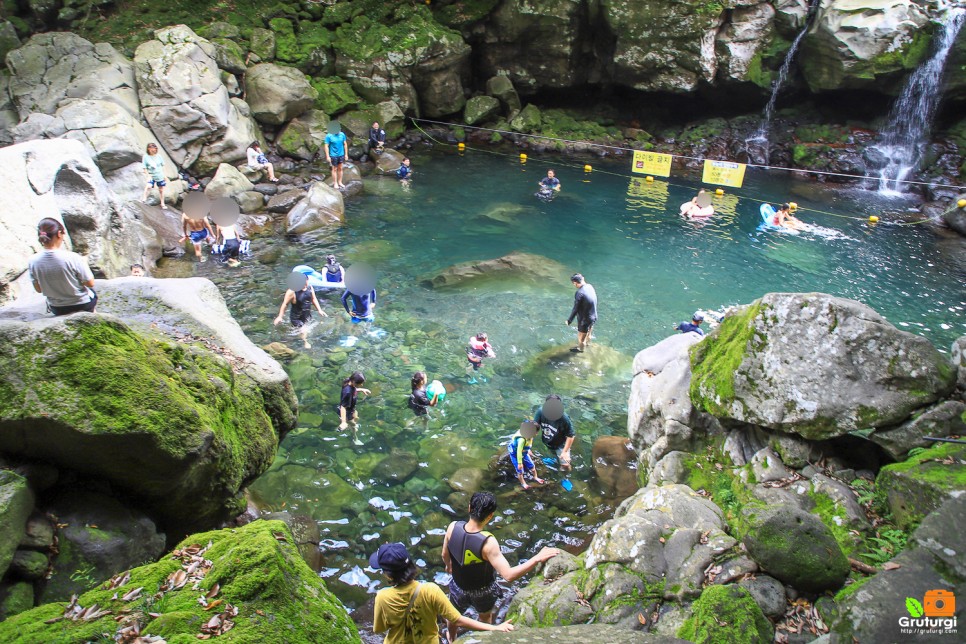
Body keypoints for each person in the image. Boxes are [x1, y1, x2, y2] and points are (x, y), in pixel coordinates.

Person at [441, 492, 559, 642]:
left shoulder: (452, 527)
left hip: (458, 585)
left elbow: (444, 554)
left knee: (453, 614)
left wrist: (448, 567)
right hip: (483, 590)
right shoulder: (488, 542)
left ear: (469, 507)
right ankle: (485, 639)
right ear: (490, 516)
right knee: (485, 616)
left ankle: (451, 638)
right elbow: (508, 575)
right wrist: (536, 558)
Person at [371, 542, 514, 644]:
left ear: (389, 575)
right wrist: (495, 627)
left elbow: (379, 629)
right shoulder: (430, 590)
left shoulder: (382, 597)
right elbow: (457, 619)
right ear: (410, 566)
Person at [28, 218, 97, 316]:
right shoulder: (73, 257)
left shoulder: (32, 261)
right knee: (92, 294)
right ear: (59, 233)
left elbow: (39, 289)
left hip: (57, 308)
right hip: (82, 305)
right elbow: (90, 283)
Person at [273, 275, 328, 348]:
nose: (306, 284)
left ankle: (295, 338)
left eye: (306, 282)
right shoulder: (292, 291)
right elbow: (285, 304)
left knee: (307, 325)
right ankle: (305, 341)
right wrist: (280, 316)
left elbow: (313, 299)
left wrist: (319, 310)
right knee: (304, 329)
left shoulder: (310, 288)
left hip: (307, 314)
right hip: (296, 317)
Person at [534, 395, 575, 472]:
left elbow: (571, 436)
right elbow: (534, 427)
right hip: (548, 440)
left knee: (565, 465)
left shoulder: (564, 418)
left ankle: (565, 477)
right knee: (553, 453)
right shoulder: (540, 412)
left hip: (561, 445)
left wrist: (565, 452)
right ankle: (554, 460)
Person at [507, 421, 544, 490]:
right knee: (520, 471)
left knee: (532, 466)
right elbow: (519, 452)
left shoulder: (529, 436)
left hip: (524, 452)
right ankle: (523, 483)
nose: (536, 434)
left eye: (536, 432)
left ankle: (535, 477)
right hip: (515, 454)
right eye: (535, 432)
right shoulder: (522, 440)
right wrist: (520, 463)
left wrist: (528, 450)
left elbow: (528, 444)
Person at [566, 273, 597, 352]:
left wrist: (569, 320)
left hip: (585, 319)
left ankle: (581, 350)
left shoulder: (580, 293)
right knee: (589, 333)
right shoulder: (590, 286)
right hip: (593, 316)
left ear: (575, 283)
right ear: (582, 278)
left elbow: (575, 309)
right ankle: (588, 344)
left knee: (581, 339)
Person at [338, 371, 370, 445]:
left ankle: (351, 425)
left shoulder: (349, 381)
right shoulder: (348, 392)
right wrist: (343, 421)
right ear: (354, 382)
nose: (362, 385)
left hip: (351, 408)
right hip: (347, 412)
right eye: (360, 384)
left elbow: (353, 389)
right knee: (353, 425)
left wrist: (361, 389)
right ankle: (355, 439)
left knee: (356, 417)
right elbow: (343, 407)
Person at [142, 143, 168, 209]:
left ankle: (162, 203)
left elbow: (163, 166)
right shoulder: (146, 157)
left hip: (159, 175)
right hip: (151, 175)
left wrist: (165, 175)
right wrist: (148, 176)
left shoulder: (159, 156)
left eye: (155, 149)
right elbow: (144, 168)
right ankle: (144, 199)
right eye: (152, 149)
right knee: (149, 186)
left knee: (161, 190)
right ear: (149, 149)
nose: (154, 150)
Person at [324, 125, 349, 191]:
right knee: (334, 168)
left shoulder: (342, 135)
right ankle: (335, 183)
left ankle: (340, 182)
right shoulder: (329, 136)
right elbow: (326, 146)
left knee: (340, 168)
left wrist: (346, 154)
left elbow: (345, 144)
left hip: (341, 154)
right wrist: (327, 156)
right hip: (333, 155)